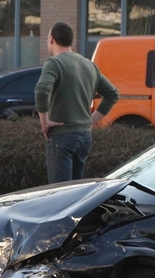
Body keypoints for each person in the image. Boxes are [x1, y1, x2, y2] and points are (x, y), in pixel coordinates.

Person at [35, 21, 119, 183]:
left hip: (61, 136)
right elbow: (112, 94)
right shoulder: (89, 65)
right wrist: (91, 121)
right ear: (70, 40)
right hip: (84, 136)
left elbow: (41, 90)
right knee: (75, 192)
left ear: (51, 39)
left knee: (60, 193)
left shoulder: (54, 63)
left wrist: (44, 122)